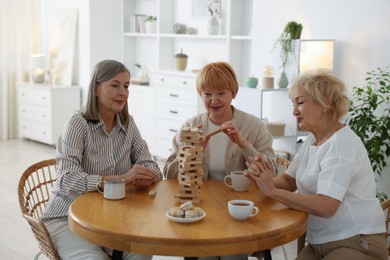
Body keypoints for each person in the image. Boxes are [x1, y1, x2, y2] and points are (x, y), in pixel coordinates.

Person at [245, 69, 387, 260]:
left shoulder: (341, 144)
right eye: (293, 104)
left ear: (327, 103)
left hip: (357, 241)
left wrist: (272, 191)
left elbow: (326, 206)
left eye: (300, 103)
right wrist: (262, 180)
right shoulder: (311, 140)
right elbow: (288, 181)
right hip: (319, 242)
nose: (294, 111)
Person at [42, 60, 163, 260]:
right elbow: (66, 179)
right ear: (96, 88)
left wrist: (145, 174)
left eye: (126, 86)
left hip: (113, 216)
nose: (123, 92)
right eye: (115, 85)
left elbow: (152, 166)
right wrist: (121, 179)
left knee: (143, 252)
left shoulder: (128, 123)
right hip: (68, 216)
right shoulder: (77, 124)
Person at [164, 61, 276, 260]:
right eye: (207, 93)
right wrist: (192, 153)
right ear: (201, 95)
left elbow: (272, 171)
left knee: (233, 253)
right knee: (206, 252)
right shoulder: (191, 125)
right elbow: (169, 175)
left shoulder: (253, 125)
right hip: (201, 208)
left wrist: (243, 144)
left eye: (221, 93)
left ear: (233, 92)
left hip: (240, 208)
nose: (213, 100)